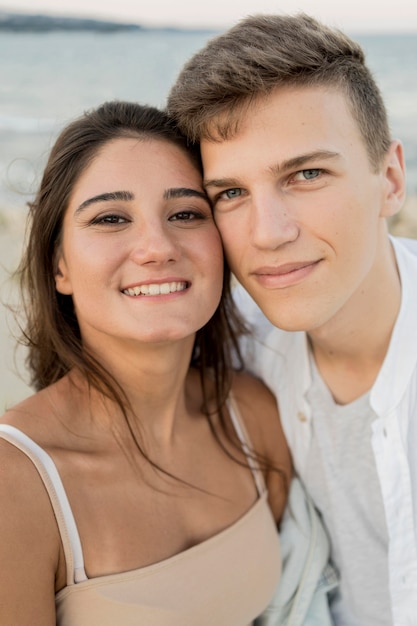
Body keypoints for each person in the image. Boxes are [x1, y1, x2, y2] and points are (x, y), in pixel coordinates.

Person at [0, 100, 293, 625]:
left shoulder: (253, 414)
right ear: (58, 265)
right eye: (110, 218)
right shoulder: (15, 483)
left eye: (186, 213)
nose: (157, 247)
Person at [166, 12, 417, 626]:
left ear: (389, 180)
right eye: (230, 193)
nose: (268, 234)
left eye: (306, 175)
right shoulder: (241, 353)